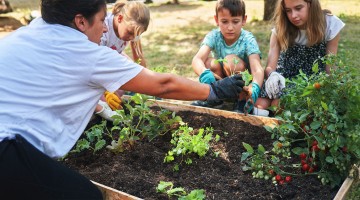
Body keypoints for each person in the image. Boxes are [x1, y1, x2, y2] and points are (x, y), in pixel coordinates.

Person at [0, 0, 245, 199]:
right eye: (100, 20)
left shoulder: (23, 35)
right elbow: (162, 84)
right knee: (86, 196)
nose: (105, 29)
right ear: (80, 21)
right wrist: (214, 91)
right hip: (5, 150)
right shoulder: (88, 54)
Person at [255, 0, 345, 113]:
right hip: (283, 77)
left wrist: (327, 88)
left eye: (298, 8)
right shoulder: (282, 26)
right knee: (259, 105)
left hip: (311, 81)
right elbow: (270, 67)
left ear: (311, 4)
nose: (293, 15)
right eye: (288, 10)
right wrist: (272, 75)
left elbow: (330, 68)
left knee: (278, 105)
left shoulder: (329, 24)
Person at [191, 0, 264, 114]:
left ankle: (241, 102)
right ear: (216, 20)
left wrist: (254, 87)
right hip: (222, 82)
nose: (230, 27)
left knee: (231, 61)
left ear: (244, 20)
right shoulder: (214, 36)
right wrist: (204, 73)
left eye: (235, 21)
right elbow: (197, 59)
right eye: (224, 21)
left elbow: (257, 69)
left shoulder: (248, 39)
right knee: (208, 63)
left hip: (242, 85)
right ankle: (215, 97)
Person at [95, 1, 150, 121]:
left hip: (110, 63)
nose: (132, 37)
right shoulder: (103, 29)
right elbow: (94, 66)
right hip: (95, 69)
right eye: (130, 33)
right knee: (107, 107)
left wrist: (146, 82)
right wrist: (105, 92)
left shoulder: (132, 30)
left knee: (122, 90)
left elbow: (139, 62)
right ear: (120, 18)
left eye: (136, 35)